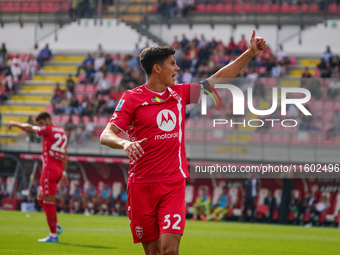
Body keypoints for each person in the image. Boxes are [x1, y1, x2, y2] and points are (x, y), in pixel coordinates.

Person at [100, 30, 266, 254]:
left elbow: (216, 80)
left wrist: (249, 54)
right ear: (157, 68)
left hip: (172, 183)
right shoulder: (131, 97)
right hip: (141, 185)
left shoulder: (180, 94)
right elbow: (106, 135)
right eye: (172, 63)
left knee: (170, 250)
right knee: (153, 252)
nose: (177, 68)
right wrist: (124, 144)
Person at [8, 112, 68, 243]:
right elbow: (64, 154)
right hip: (57, 169)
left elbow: (30, 128)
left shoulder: (48, 129)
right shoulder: (62, 132)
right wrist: (64, 172)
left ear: (47, 119)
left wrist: (15, 123)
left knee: (48, 201)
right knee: (40, 197)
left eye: (41, 123)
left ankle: (53, 234)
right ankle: (55, 225)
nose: (40, 126)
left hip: (49, 170)